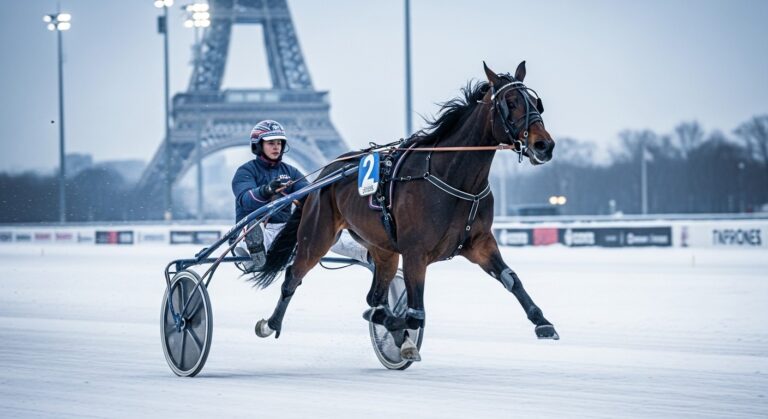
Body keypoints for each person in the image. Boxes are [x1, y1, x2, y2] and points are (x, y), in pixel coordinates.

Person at [231, 120, 369, 272]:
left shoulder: (292, 172)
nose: (276, 147)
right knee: (254, 230)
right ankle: (253, 249)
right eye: (271, 143)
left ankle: (367, 252)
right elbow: (246, 200)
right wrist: (267, 190)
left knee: (324, 228)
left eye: (279, 142)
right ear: (258, 145)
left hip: (284, 230)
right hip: (255, 226)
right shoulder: (245, 172)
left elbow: (311, 197)